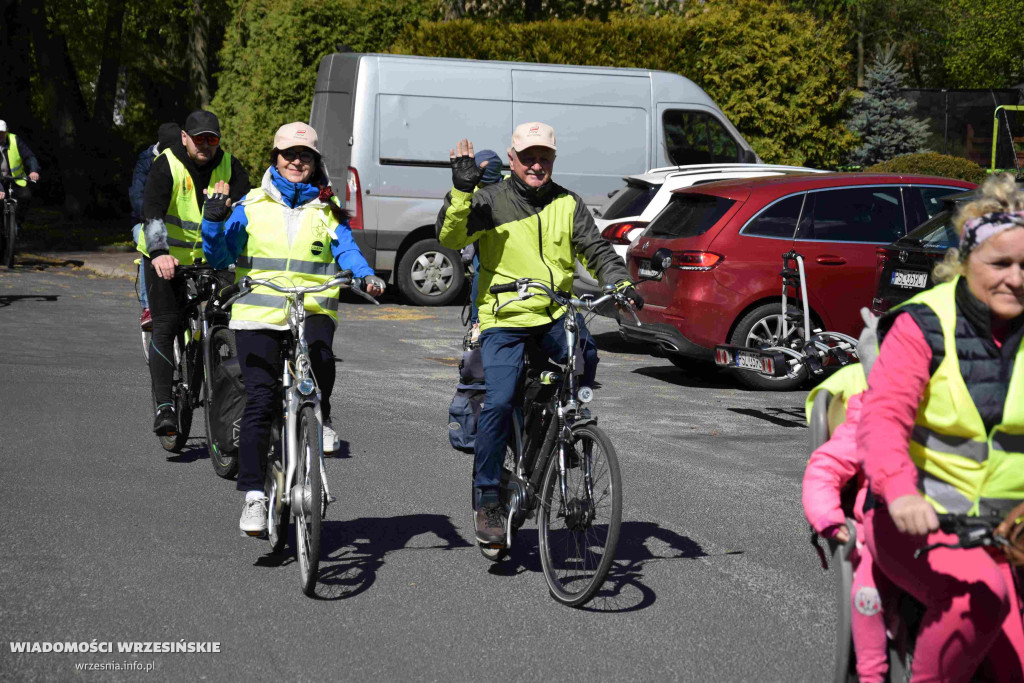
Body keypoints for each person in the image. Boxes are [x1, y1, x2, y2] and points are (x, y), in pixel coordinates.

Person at [436, 122, 642, 546]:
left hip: (553, 312)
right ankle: (489, 497)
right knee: (498, 399)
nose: (535, 165)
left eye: (543, 157)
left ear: (553, 161)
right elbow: (451, 235)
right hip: (506, 315)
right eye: (527, 157)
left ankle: (563, 425)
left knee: (586, 350)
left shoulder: (568, 203)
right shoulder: (490, 199)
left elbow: (597, 249)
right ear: (512, 159)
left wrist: (619, 281)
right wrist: (460, 191)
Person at [858, 173, 1024, 681]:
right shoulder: (922, 325)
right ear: (964, 260)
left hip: (1009, 531)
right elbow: (883, 419)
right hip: (921, 521)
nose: (1016, 279)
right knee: (979, 601)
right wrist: (902, 493)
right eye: (1000, 264)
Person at [201, 122, 385, 535]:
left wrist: (365, 274)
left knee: (321, 359)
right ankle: (253, 496)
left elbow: (347, 249)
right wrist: (213, 223)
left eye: (305, 155)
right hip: (259, 314)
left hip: (312, 308)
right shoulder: (250, 204)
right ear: (276, 159)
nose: (297, 161)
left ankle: (319, 418)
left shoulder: (327, 207)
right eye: (289, 155)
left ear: (315, 161)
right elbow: (221, 255)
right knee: (261, 400)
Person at [138, 110, 251, 437]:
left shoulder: (230, 165)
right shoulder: (168, 164)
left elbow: (247, 207)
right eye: (198, 138)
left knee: (227, 321)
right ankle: (164, 407)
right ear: (185, 137)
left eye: (211, 139)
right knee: (167, 323)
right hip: (168, 259)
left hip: (215, 260)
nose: (205, 145)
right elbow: (152, 211)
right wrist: (159, 253)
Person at [802, 312, 893, 683]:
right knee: (868, 597)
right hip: (881, 532)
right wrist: (829, 519)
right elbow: (826, 468)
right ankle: (871, 673)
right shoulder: (868, 414)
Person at [130, 123, 181, 331]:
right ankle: (147, 307)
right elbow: (137, 197)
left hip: (177, 222)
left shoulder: (182, 159)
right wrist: (154, 214)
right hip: (146, 220)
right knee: (146, 244)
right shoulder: (145, 162)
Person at [459, 148, 503, 341]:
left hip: (495, 246)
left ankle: (477, 324)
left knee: (481, 277)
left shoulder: (494, 190)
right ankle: (476, 324)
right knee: (480, 276)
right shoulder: (481, 190)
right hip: (484, 247)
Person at [0, 119, 41, 227]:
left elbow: (29, 156)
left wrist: (33, 170)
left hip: (16, 179)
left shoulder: (14, 140)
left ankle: (18, 223)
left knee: (26, 196)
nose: (0, 135)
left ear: (7, 132)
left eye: (2, 133)